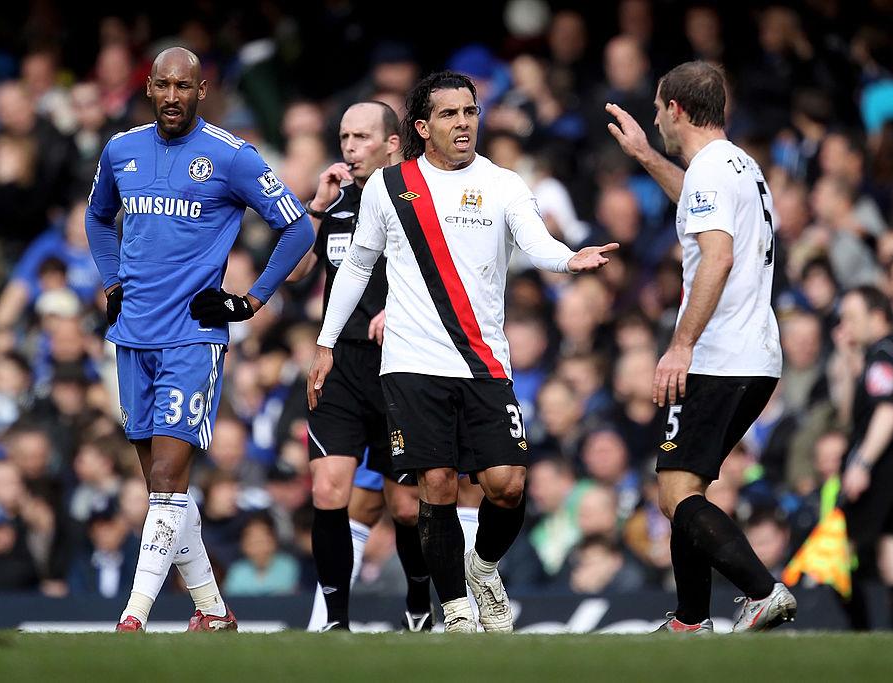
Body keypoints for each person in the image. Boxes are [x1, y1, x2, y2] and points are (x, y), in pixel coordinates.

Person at [308, 71, 617, 633]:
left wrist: (568, 259)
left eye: (470, 112)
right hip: (412, 364)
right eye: (449, 114)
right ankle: (453, 610)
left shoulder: (502, 184)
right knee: (438, 485)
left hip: (484, 362)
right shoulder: (389, 186)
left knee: (507, 485)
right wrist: (326, 343)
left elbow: (535, 238)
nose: (463, 123)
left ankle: (483, 564)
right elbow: (355, 266)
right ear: (423, 127)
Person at [84, 47, 314, 632]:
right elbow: (96, 217)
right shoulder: (121, 150)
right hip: (132, 333)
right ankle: (213, 610)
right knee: (168, 491)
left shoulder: (232, 156)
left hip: (192, 335)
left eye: (182, 87)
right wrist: (112, 279)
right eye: (162, 86)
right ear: (149, 89)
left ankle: (132, 616)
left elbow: (297, 227)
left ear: (201, 90)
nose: (171, 97)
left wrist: (251, 300)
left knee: (165, 481)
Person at [606, 60, 796, 634]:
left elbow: (717, 256)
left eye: (659, 109)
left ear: (677, 110)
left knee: (673, 495)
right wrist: (643, 155)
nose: (656, 119)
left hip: (720, 356)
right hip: (754, 355)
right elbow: (693, 200)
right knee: (685, 488)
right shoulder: (737, 164)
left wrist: (681, 345)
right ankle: (690, 621)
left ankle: (762, 592)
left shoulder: (713, 170)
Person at [288, 100, 431, 632]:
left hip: (401, 366)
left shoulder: (419, 200)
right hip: (340, 364)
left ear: (393, 142)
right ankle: (335, 622)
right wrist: (317, 207)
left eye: (361, 137)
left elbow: (452, 271)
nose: (349, 147)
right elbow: (297, 271)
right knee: (328, 490)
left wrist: (403, 306)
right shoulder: (339, 202)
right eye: (344, 137)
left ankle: (419, 604)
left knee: (407, 508)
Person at [831, 286, 893, 630]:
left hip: (884, 472)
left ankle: (861, 633)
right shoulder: (883, 357)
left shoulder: (883, 357)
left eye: (853, 318)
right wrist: (845, 355)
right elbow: (848, 416)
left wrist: (862, 464)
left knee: (836, 556)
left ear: (878, 316)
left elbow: (887, 413)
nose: (846, 326)